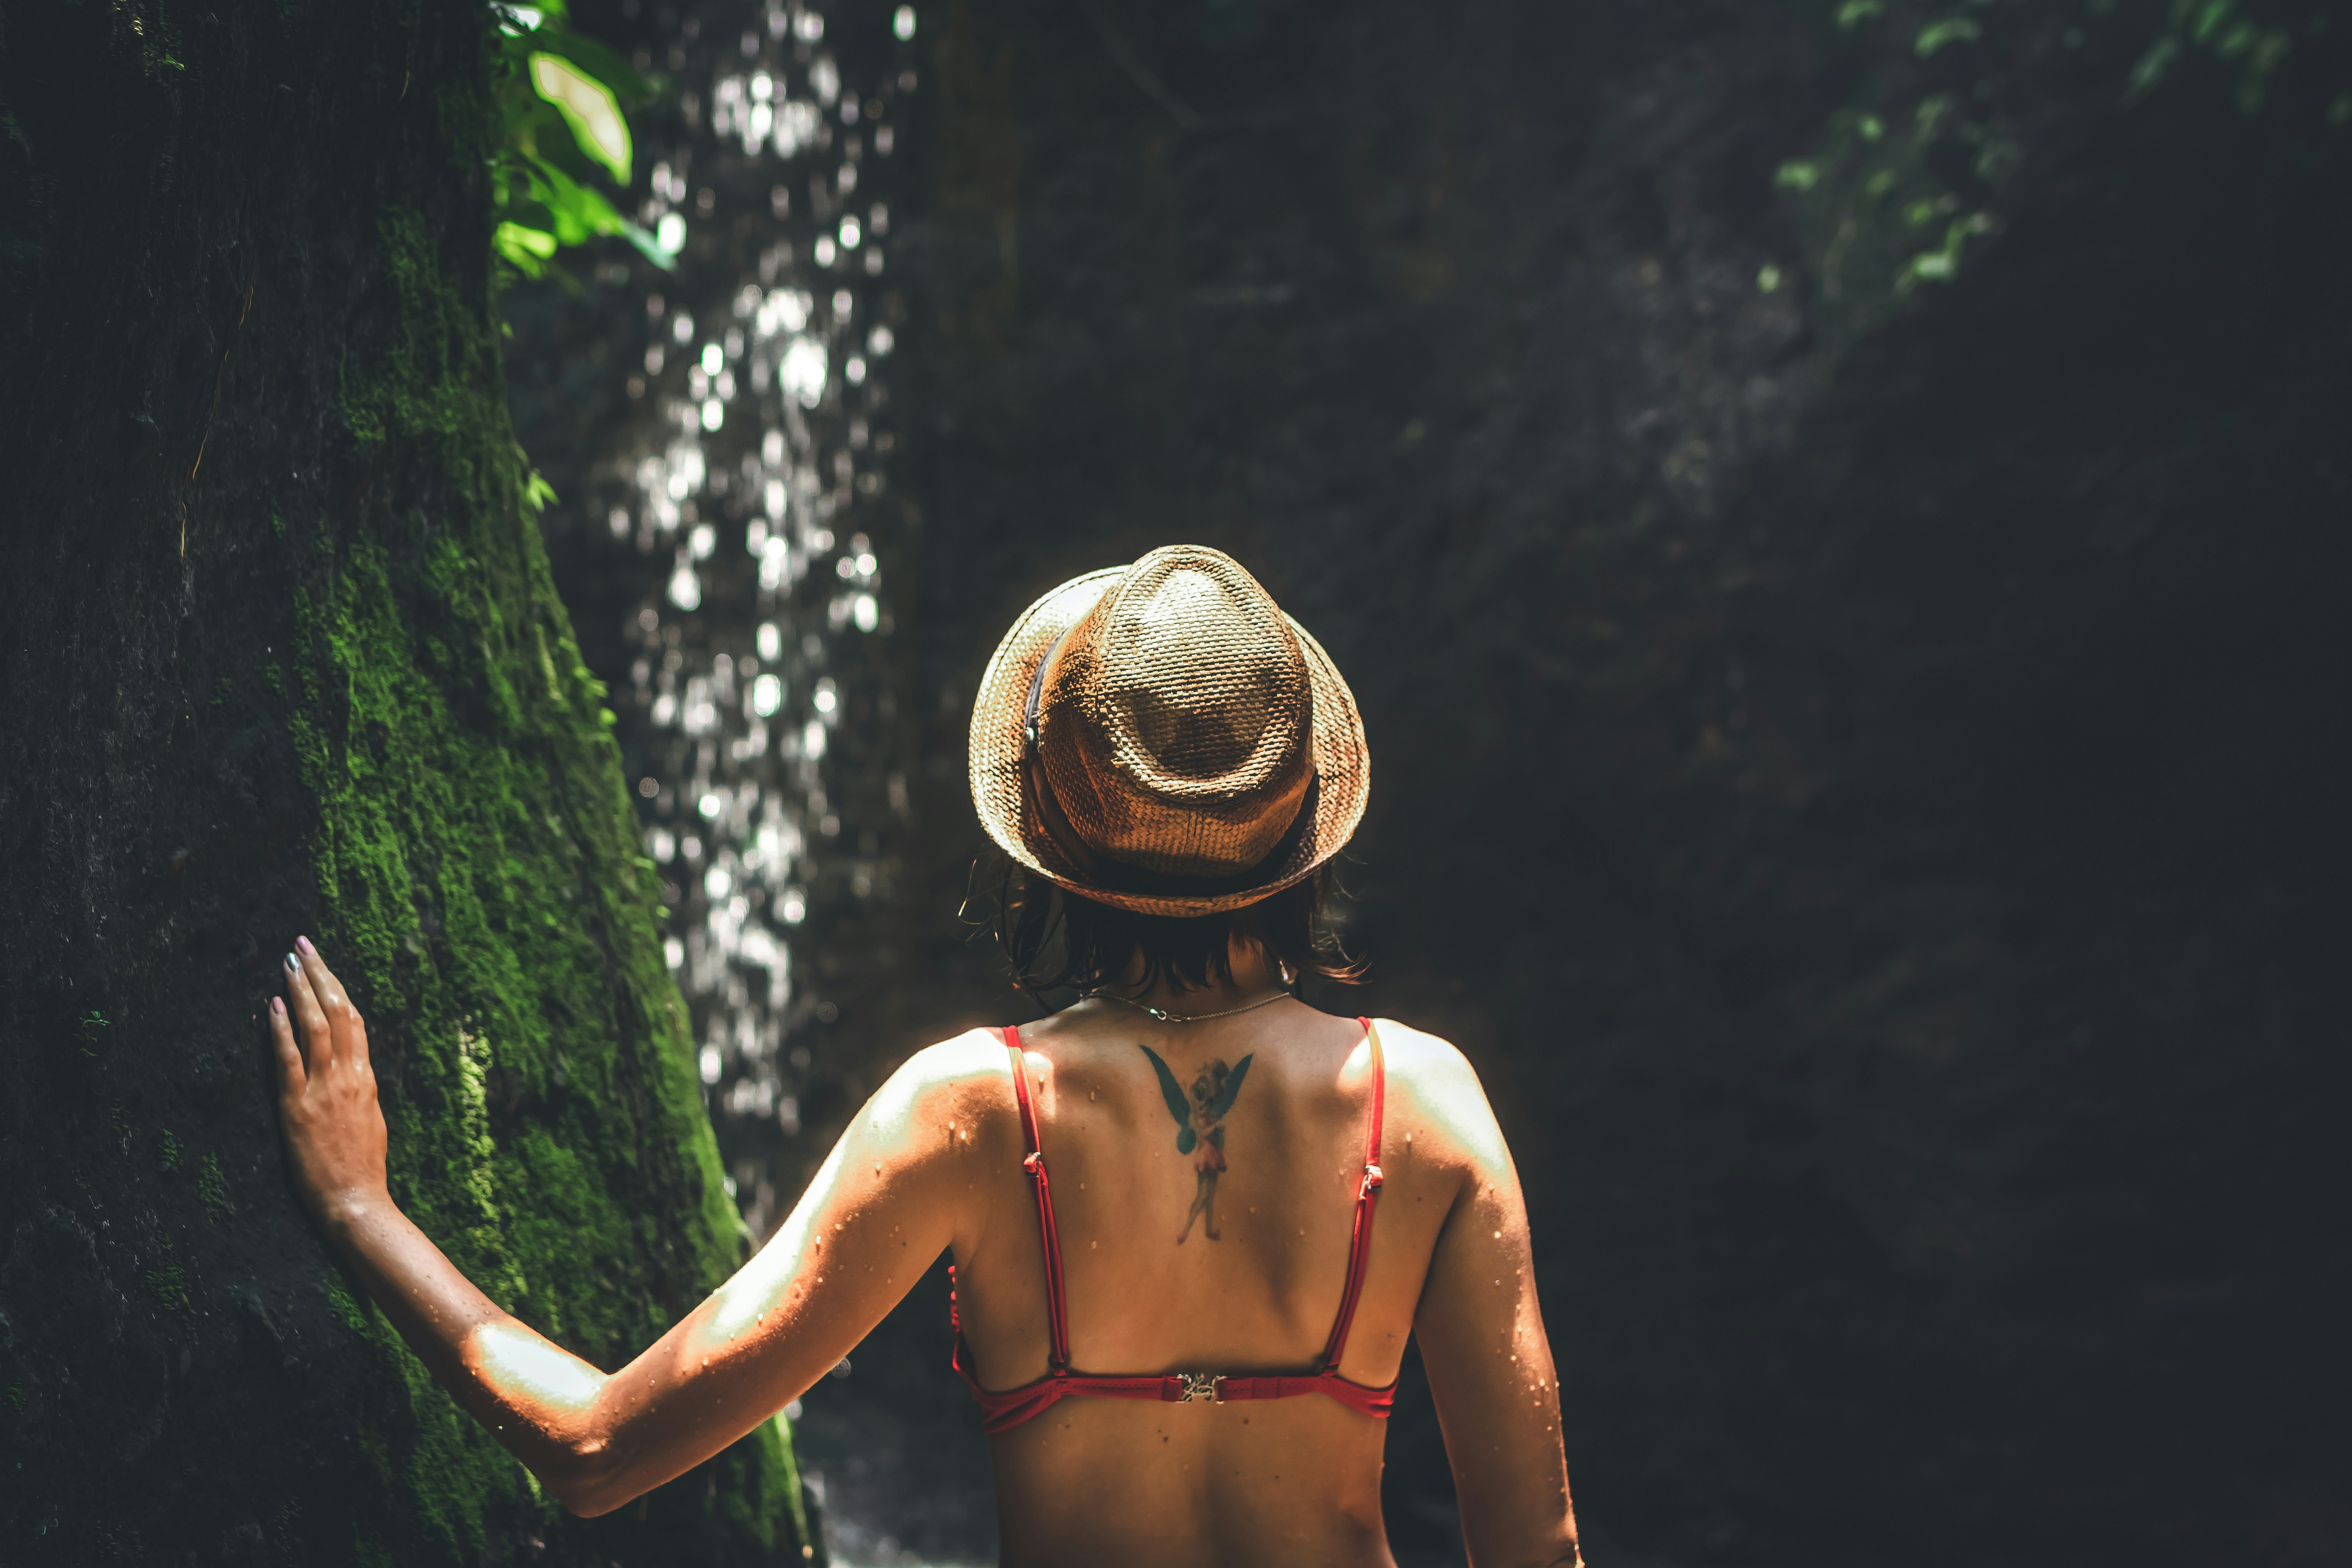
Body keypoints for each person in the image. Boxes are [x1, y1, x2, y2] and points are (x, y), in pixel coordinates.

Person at [270, 545, 1582, 1567]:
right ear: (1303, 829)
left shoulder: (971, 1113)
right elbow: (1536, 1553)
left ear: (1049, 831)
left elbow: (598, 1451)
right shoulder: (1427, 1106)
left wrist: (358, 1206)